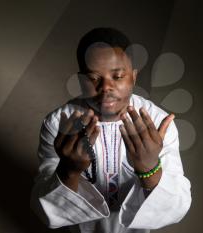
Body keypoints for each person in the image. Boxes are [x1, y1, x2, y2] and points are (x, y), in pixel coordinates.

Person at [30, 27, 192, 233]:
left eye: (117, 76)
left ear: (133, 76)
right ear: (81, 81)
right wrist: (69, 170)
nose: (106, 87)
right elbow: (44, 209)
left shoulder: (157, 122)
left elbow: (176, 207)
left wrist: (149, 169)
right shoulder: (60, 124)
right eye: (94, 78)